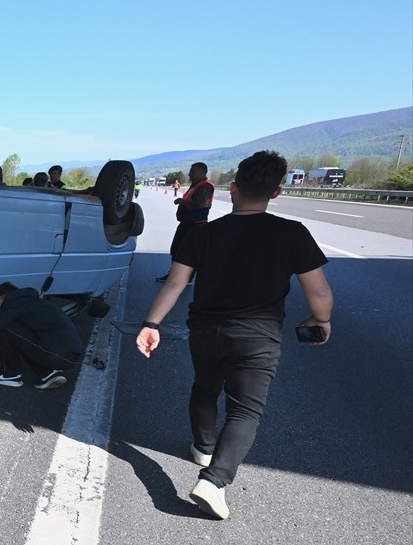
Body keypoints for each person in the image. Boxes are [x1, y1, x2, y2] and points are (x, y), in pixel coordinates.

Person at [136, 150, 333, 520]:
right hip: (257, 335)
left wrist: (152, 324)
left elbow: (176, 284)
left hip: (205, 329)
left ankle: (203, 447)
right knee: (245, 410)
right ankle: (214, 480)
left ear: (235, 188)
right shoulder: (291, 233)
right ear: (276, 192)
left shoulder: (204, 234)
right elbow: (319, 292)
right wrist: (321, 320)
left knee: (205, 386)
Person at [0, 281, 83, 390]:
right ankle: (48, 373)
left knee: (6, 327)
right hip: (72, 356)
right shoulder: (37, 303)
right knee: (24, 338)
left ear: (1, 297)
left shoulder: (16, 303)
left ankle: (10, 375)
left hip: (56, 353)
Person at [156, 162, 215, 282]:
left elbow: (198, 204)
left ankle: (180, 277)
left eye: (193, 172)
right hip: (188, 223)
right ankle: (180, 276)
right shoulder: (197, 185)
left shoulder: (205, 186)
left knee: (183, 250)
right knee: (177, 249)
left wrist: (182, 202)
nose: (189, 174)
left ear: (202, 172)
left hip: (195, 224)